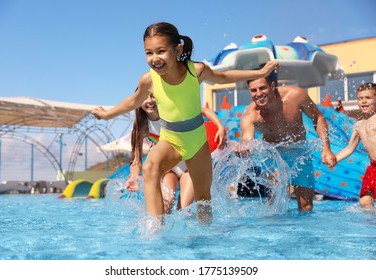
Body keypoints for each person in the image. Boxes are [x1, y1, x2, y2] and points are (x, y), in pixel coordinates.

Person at [91, 22, 278, 224]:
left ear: (177, 49)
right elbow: (132, 101)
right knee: (151, 167)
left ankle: (204, 239)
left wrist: (260, 73)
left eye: (161, 51)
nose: (155, 59)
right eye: (149, 53)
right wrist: (107, 114)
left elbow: (223, 77)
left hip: (197, 143)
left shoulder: (194, 71)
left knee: (203, 201)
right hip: (171, 139)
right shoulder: (149, 80)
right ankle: (155, 228)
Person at [235, 67, 336, 211]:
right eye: (253, 90)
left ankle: (303, 233)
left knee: (306, 206)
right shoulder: (251, 115)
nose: (258, 94)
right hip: (274, 155)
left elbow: (318, 117)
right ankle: (275, 232)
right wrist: (243, 146)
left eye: (262, 88)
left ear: (272, 86)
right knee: (275, 202)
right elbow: (247, 138)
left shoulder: (295, 96)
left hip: (300, 152)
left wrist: (326, 149)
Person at [126, 93, 227, 213]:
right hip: (169, 170)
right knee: (165, 206)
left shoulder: (173, 112)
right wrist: (134, 177)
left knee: (184, 209)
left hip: (189, 166)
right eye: (144, 97)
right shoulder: (141, 126)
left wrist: (220, 127)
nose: (149, 101)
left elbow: (204, 111)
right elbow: (136, 160)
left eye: (153, 96)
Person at [332, 82, 376, 209]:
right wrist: (335, 159)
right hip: (372, 168)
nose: (363, 101)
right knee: (365, 202)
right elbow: (350, 148)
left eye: (368, 98)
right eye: (360, 98)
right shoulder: (359, 125)